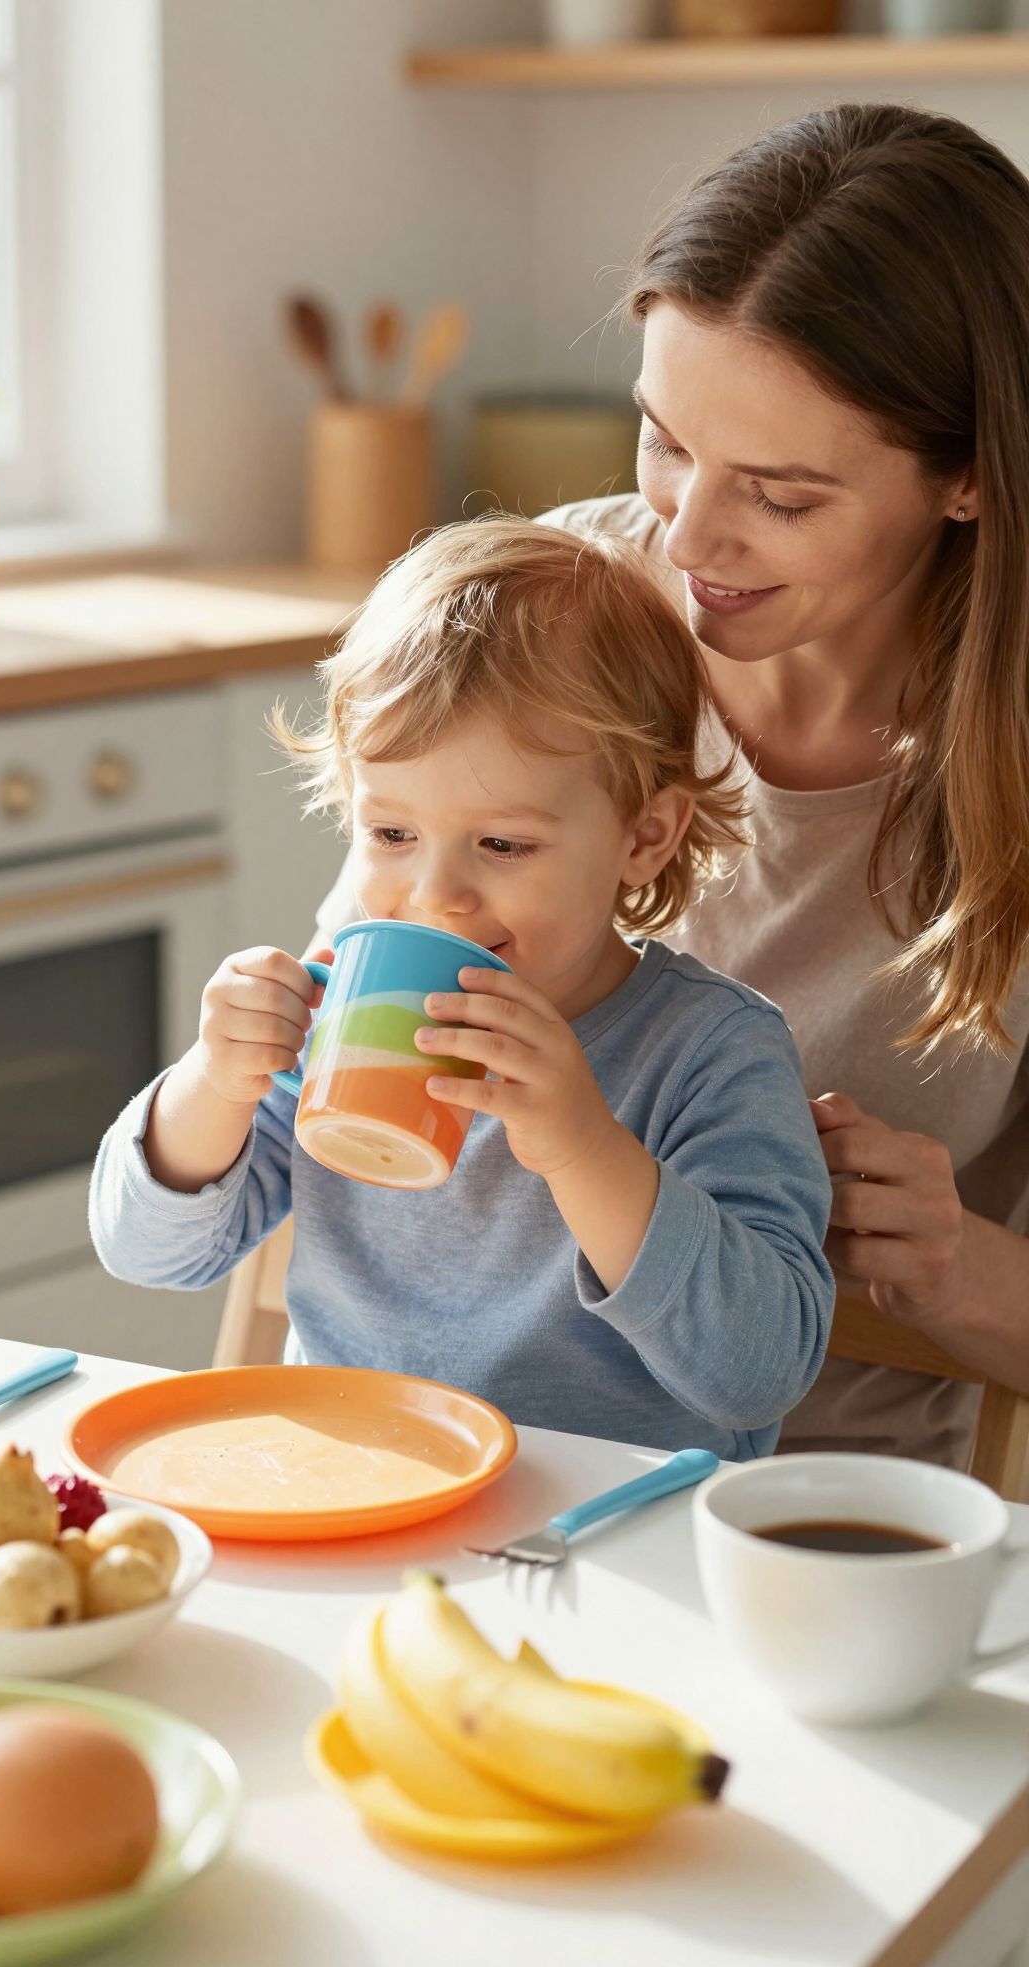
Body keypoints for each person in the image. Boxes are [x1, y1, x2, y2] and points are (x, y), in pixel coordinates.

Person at [316, 102, 1029, 1471]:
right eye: (665, 440)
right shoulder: (560, 613)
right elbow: (355, 992)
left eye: (781, 491)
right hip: (453, 1457)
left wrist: (961, 1265)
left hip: (829, 1518)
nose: (687, 537)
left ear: (970, 481)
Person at [89, 515, 834, 1458]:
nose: (436, 895)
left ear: (643, 838)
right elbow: (146, 1251)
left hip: (599, 1544)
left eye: (504, 845)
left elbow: (760, 1371)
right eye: (392, 835)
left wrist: (580, 1145)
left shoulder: (710, 1052)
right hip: (349, 1493)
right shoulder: (342, 1017)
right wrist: (214, 1081)